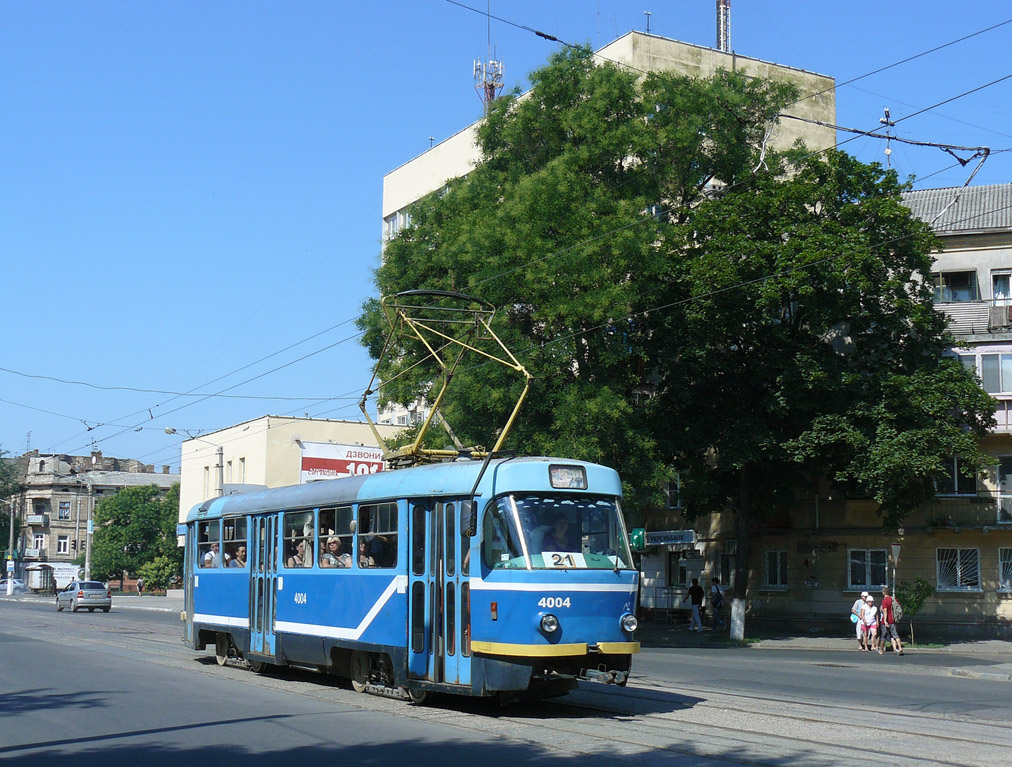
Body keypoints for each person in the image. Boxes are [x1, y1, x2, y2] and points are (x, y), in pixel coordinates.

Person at [880, 586, 905, 656]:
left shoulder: (884, 600)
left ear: (884, 593)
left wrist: (885, 621)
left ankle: (881, 650)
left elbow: (885, 611)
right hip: (893, 619)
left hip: (886, 621)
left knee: (883, 636)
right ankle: (900, 647)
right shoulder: (893, 599)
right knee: (895, 634)